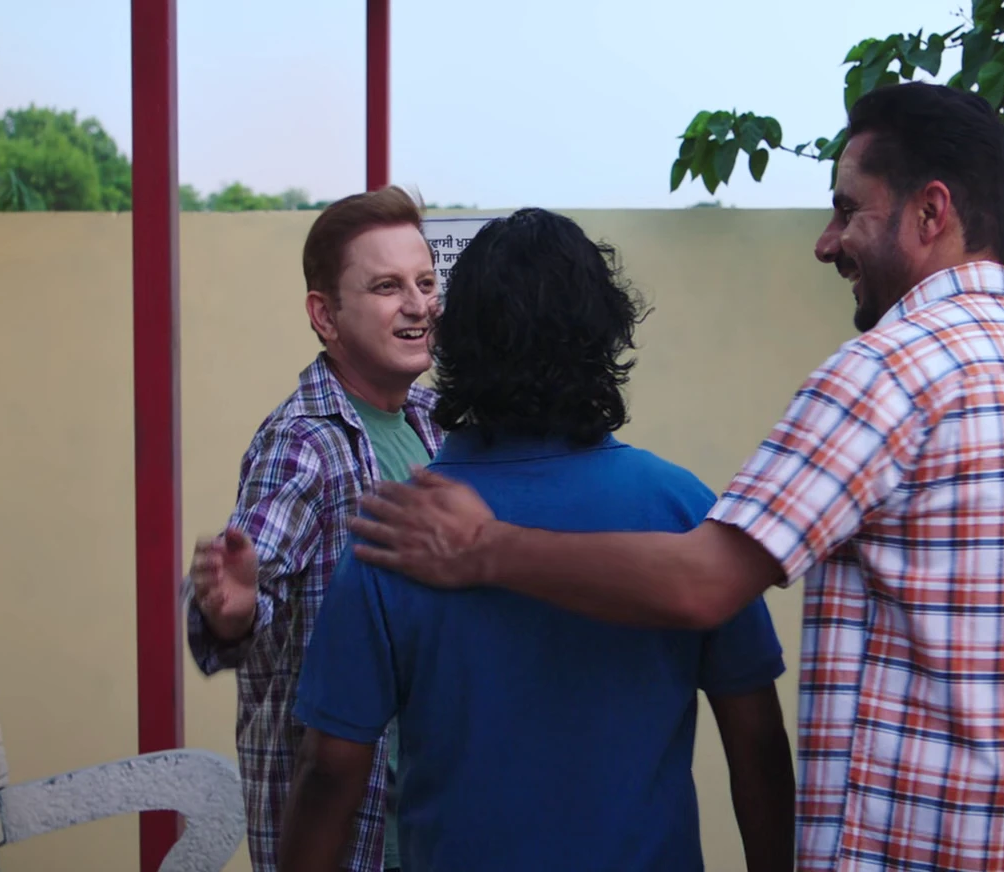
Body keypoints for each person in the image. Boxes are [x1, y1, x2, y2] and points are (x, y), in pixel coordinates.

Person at [345, 83, 1004, 872]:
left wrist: (483, 548)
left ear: (930, 212)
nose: (827, 243)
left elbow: (703, 584)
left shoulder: (891, 372)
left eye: (848, 210)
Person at [276, 208, 797, 872]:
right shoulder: (685, 512)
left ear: (452, 338)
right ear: (605, 335)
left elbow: (331, 772)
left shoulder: (397, 531)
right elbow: (756, 742)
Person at [185, 185, 441, 872]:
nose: (417, 305)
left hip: (430, 825)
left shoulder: (433, 422)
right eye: (386, 287)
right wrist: (233, 611)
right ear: (325, 315)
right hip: (350, 841)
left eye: (424, 283)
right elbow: (248, 578)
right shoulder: (304, 440)